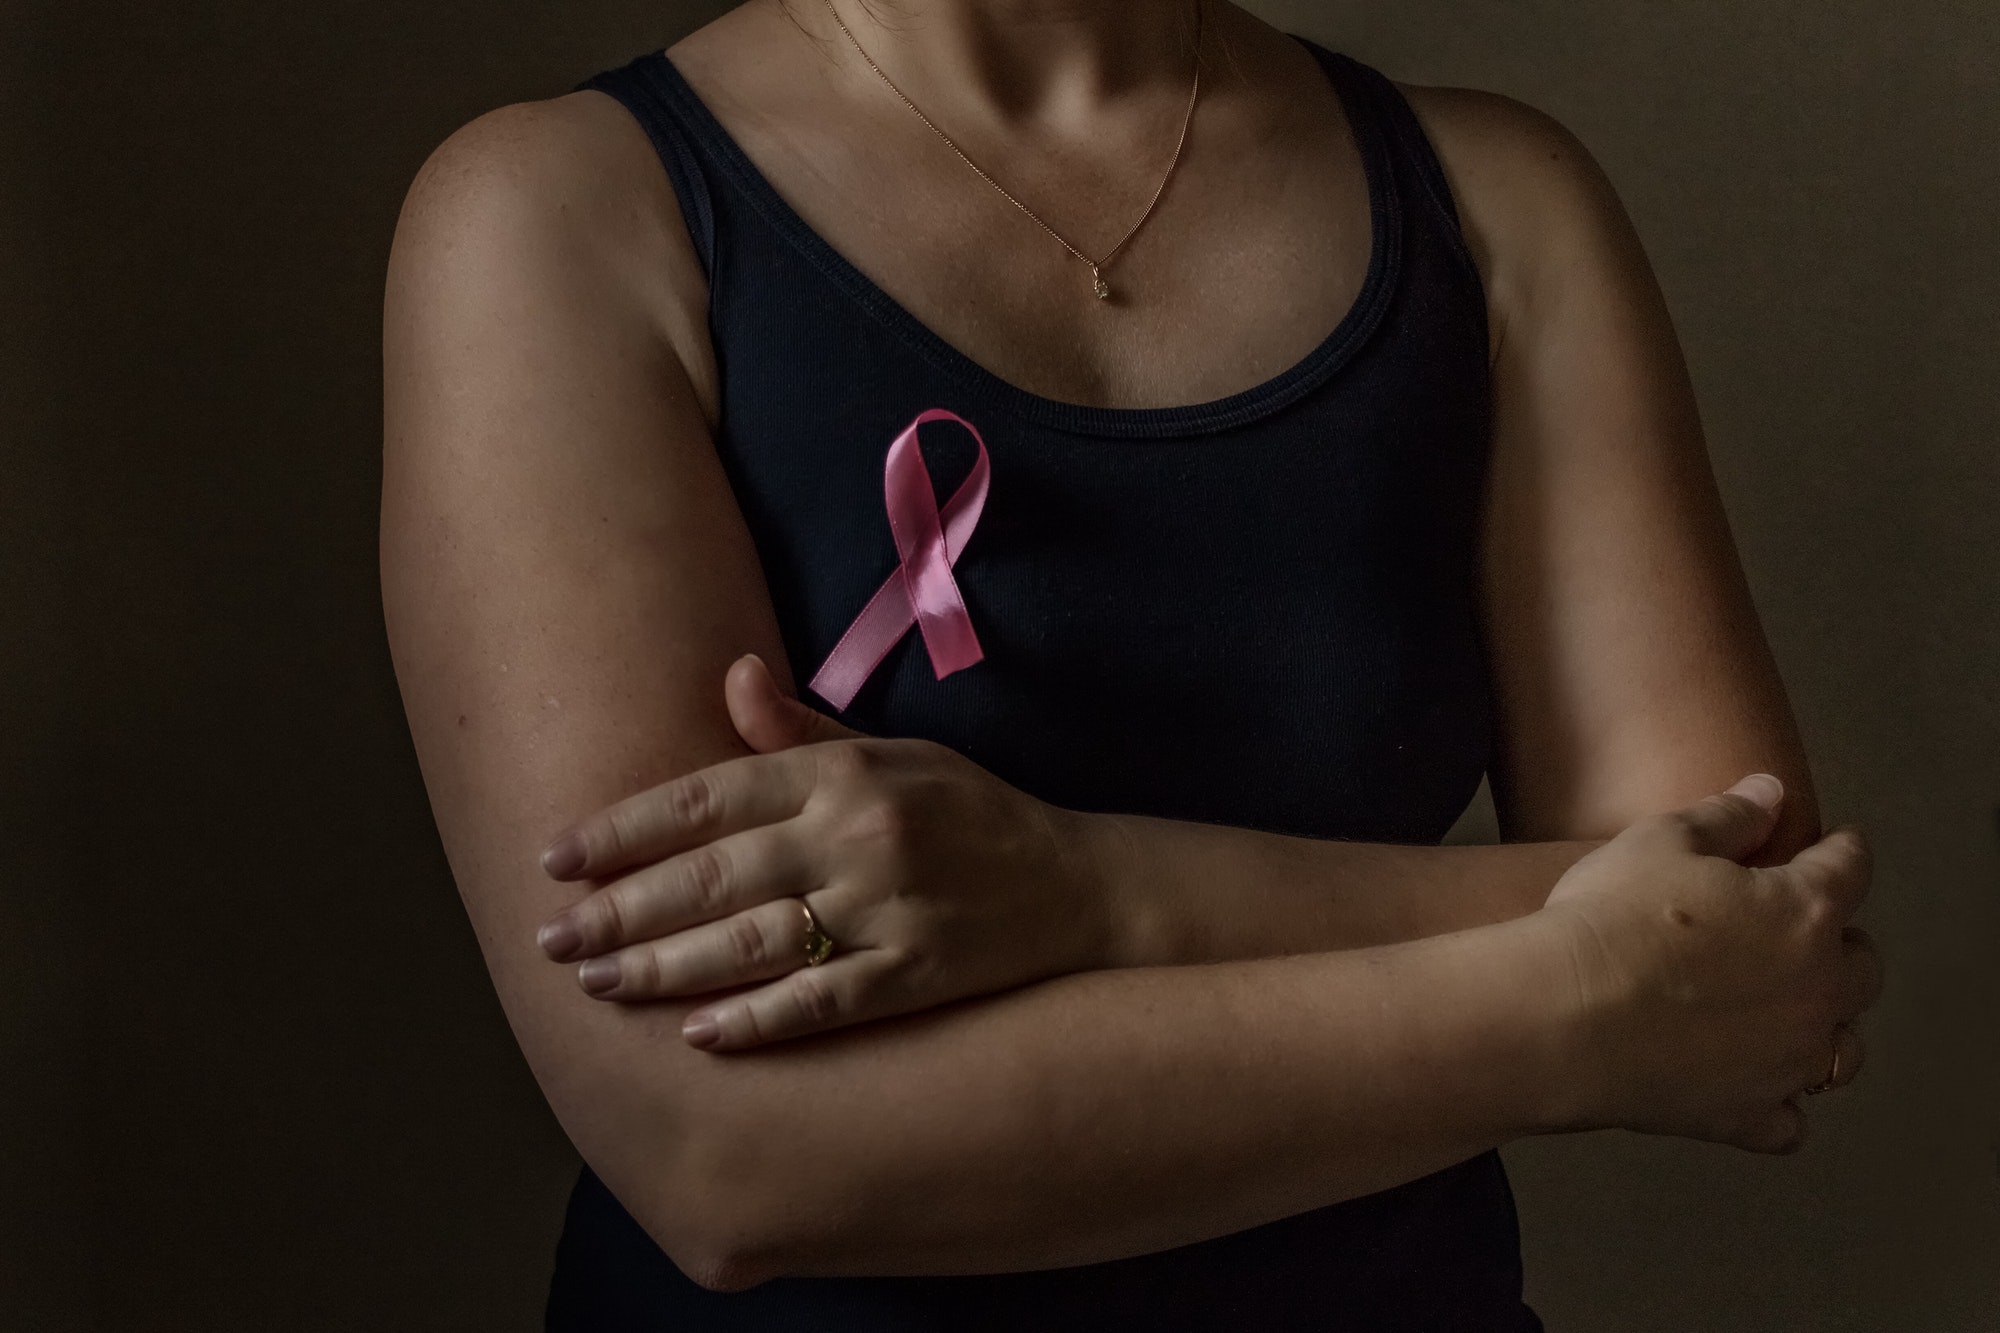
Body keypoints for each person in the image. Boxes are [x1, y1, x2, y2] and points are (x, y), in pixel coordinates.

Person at [378, 0, 1884, 1326]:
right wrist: (1572, 1009)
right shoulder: (557, 213)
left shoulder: (1498, 209)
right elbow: (725, 1154)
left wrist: (1098, 888)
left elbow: (1754, 924)